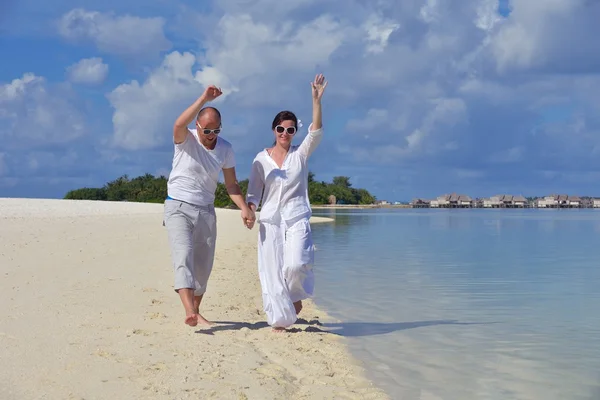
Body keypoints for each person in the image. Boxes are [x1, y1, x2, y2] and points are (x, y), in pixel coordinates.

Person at [163, 85, 255, 327]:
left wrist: (244, 208)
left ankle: (196, 309)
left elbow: (232, 184)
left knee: (203, 267)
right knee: (183, 256)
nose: (211, 134)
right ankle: (189, 311)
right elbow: (177, 124)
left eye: (216, 129)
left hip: (206, 210)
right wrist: (204, 98)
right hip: (178, 206)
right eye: (207, 130)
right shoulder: (186, 139)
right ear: (198, 126)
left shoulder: (225, 148)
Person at [245, 74, 328, 332]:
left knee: (295, 264)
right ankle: (281, 319)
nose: (285, 133)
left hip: (296, 218)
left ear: (294, 132)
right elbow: (253, 193)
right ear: (274, 130)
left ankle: (294, 298)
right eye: (280, 129)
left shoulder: (300, 154)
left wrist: (316, 100)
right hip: (270, 221)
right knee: (272, 272)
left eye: (290, 129)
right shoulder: (261, 159)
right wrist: (248, 211)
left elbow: (315, 132)